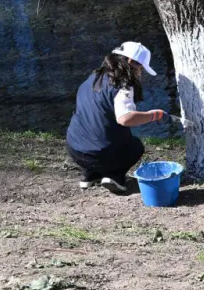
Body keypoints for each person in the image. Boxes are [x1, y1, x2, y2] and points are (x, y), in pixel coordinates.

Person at [66, 42, 166, 194]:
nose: (141, 73)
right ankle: (115, 177)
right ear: (131, 62)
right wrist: (154, 115)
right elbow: (125, 119)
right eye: (141, 68)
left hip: (75, 148)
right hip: (101, 153)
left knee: (95, 132)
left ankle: (89, 175)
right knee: (136, 147)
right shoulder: (123, 84)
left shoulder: (94, 76)